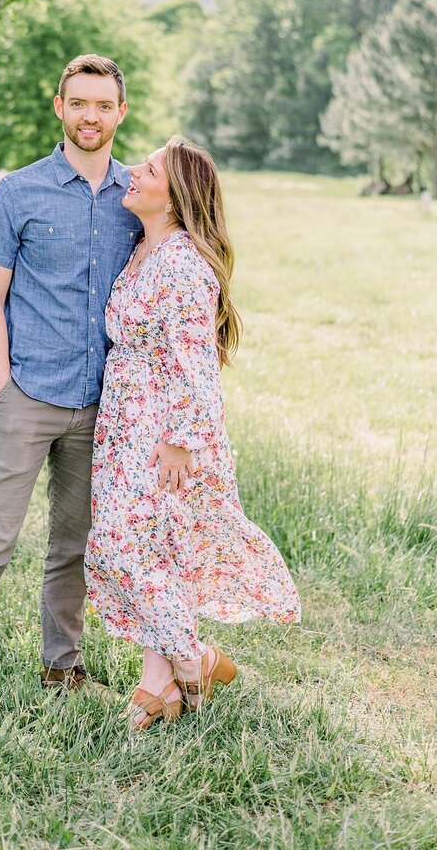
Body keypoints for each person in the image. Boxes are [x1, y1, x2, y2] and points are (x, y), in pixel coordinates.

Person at [0, 55, 141, 754]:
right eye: (78, 102)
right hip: (25, 398)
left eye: (102, 105)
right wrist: (1, 389)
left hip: (99, 407)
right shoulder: (18, 192)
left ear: (120, 113)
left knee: (73, 547)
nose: (89, 115)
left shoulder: (138, 197)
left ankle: (63, 666)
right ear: (58, 107)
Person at [84, 136, 300, 730]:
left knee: (121, 547)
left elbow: (194, 362)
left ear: (174, 198)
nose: (133, 170)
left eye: (149, 169)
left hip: (162, 432)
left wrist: (180, 438)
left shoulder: (182, 263)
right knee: (149, 552)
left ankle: (183, 661)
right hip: (122, 426)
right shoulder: (141, 252)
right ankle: (183, 668)